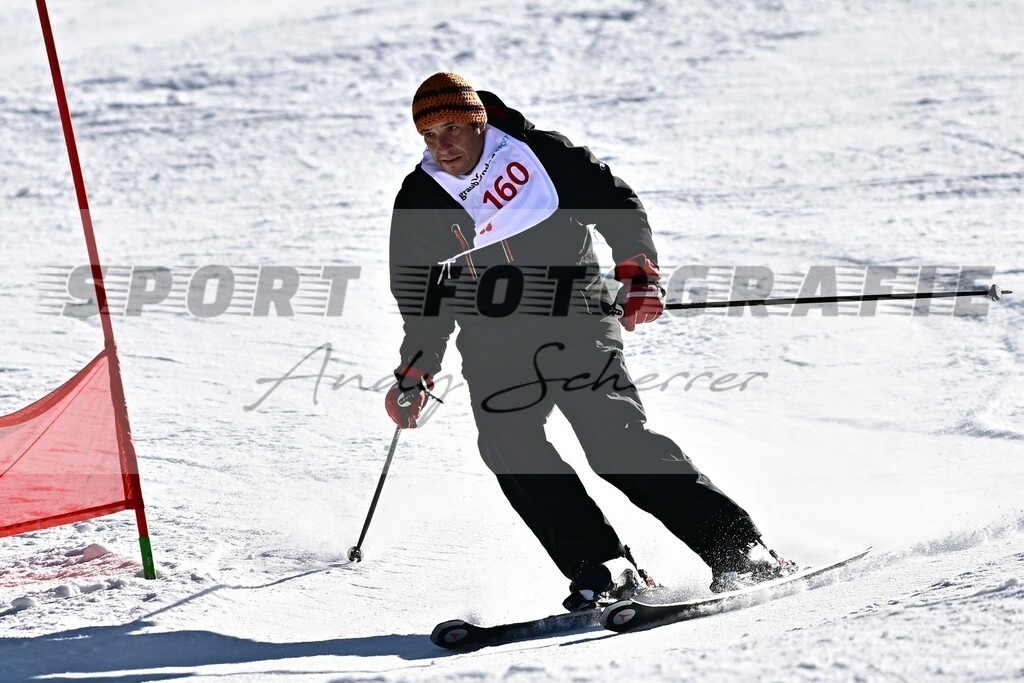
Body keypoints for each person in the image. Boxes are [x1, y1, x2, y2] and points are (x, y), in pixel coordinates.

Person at [386, 72, 791, 609]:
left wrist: (638, 276)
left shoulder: (537, 155)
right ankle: (604, 569)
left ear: (478, 122)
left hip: (574, 317)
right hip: (492, 342)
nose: (443, 146)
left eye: (453, 129)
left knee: (613, 442)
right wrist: (416, 367)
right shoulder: (422, 195)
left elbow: (614, 203)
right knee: (509, 448)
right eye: (430, 135)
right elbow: (422, 294)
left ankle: (740, 551)